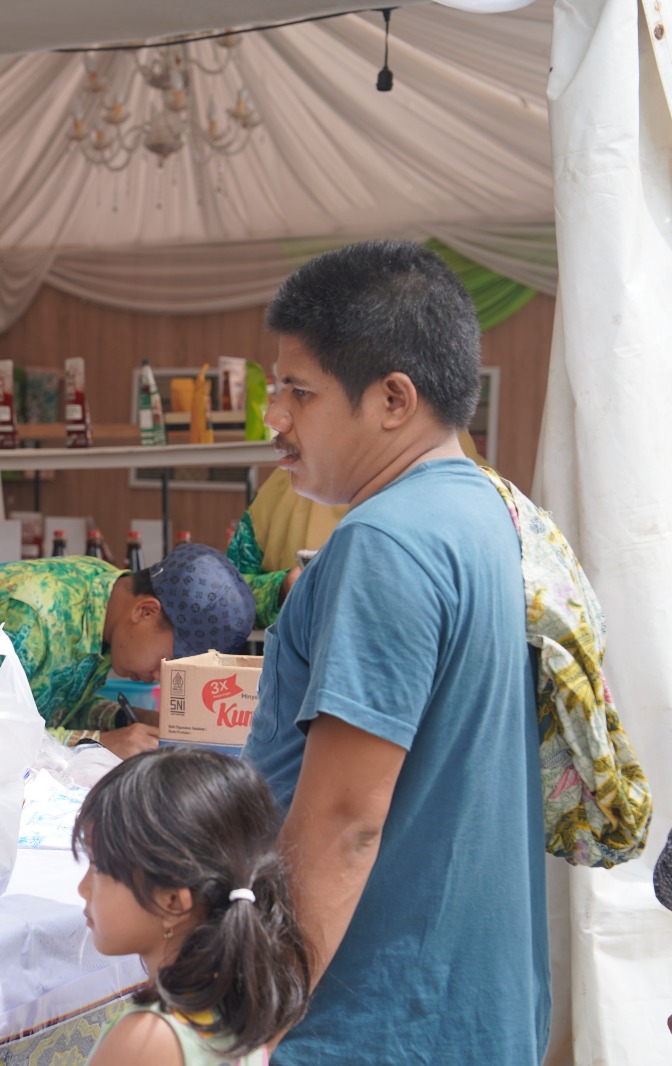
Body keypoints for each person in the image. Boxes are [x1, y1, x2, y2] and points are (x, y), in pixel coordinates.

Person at [242, 241, 547, 1061]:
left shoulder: (386, 542)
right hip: (473, 1008)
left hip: (375, 1020)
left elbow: (344, 821)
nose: (277, 418)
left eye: (298, 393)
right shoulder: (493, 513)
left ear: (392, 399)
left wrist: (261, 1017)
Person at [0, 544, 255, 758]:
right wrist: (98, 743)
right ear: (146, 611)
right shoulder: (32, 618)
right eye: (165, 662)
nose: (159, 675)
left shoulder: (105, 597)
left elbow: (49, 702)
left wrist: (126, 720)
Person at [76, 747, 310, 1066]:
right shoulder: (234, 1012)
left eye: (99, 866)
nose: (83, 888)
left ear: (173, 901)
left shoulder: (148, 1038)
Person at [227, 429, 492, 629]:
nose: (277, 416)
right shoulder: (287, 486)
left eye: (302, 392)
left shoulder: (490, 504)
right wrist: (284, 587)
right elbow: (226, 594)